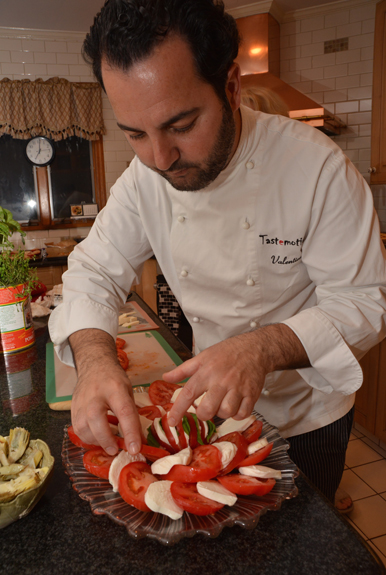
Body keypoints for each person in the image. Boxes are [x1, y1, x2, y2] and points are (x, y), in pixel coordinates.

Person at [49, 0, 386, 506]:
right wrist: (95, 360)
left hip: (307, 418)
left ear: (231, 86)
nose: (159, 158)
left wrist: (261, 347)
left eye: (181, 125)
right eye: (135, 134)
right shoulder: (144, 180)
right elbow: (94, 268)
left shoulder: (318, 168)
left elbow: (364, 302)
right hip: (212, 416)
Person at [241, 85, 354, 513]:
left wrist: (262, 349)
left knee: (313, 520)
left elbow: (353, 302)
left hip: (312, 404)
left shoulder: (318, 181)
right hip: (236, 409)